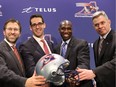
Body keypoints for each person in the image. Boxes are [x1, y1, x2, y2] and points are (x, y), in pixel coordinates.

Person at [0, 18, 47, 87]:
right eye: (10, 29)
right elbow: (2, 72)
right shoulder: (1, 48)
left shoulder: (17, 50)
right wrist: (25, 81)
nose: (13, 32)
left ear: (19, 34)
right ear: (4, 32)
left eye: (15, 29)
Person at [76, 11, 115, 87]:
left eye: (102, 23)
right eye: (96, 25)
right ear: (94, 27)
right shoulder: (96, 43)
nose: (100, 26)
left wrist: (94, 72)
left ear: (109, 22)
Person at [54, 20, 93, 87]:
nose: (66, 31)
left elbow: (83, 64)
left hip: (78, 84)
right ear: (59, 30)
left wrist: (73, 76)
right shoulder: (56, 48)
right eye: (63, 28)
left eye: (68, 29)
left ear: (72, 30)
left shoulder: (81, 44)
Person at [19, 14, 54, 86]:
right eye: (34, 25)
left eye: (39, 24)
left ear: (44, 25)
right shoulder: (25, 46)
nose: (37, 27)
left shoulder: (50, 43)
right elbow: (30, 70)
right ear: (30, 28)